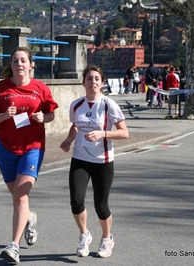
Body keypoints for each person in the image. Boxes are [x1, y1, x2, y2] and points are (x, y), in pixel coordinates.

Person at [0, 47, 59, 264]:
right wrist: (4, 115)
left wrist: (44, 118)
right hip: (5, 149)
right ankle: (30, 218)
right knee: (18, 198)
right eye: (15, 61)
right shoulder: (1, 88)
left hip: (32, 147)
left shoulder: (40, 88)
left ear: (31, 64)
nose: (20, 64)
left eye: (23, 60)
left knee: (20, 195)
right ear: (11, 66)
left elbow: (51, 113)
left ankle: (14, 246)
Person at [59, 65, 129, 259]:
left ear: (102, 83)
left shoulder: (109, 105)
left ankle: (107, 238)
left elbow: (124, 132)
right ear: (84, 83)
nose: (93, 82)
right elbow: (75, 126)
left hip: (103, 161)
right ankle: (84, 234)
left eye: (97, 79)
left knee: (101, 205)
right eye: (89, 79)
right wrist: (68, 139)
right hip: (80, 158)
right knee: (76, 200)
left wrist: (103, 133)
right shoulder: (76, 105)